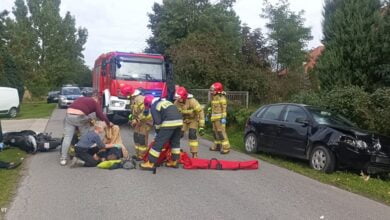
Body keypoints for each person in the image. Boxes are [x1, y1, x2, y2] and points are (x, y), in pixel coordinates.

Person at [60, 94, 112, 166]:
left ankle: (63, 159)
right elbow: (100, 115)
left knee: (67, 137)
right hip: (80, 117)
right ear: (96, 99)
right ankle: (83, 153)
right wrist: (108, 123)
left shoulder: (80, 98)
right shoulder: (95, 102)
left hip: (68, 115)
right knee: (85, 134)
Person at [139, 95, 183, 170]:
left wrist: (158, 133)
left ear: (148, 104)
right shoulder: (166, 101)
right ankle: (174, 161)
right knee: (175, 142)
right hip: (179, 122)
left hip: (169, 122)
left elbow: (158, 122)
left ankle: (150, 163)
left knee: (158, 142)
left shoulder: (154, 106)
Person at [121, 85, 153, 160]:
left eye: (125, 94)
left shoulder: (140, 99)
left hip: (145, 122)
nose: (125, 96)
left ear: (129, 93)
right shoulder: (133, 99)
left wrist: (137, 120)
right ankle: (138, 154)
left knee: (142, 138)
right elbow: (134, 112)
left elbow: (145, 113)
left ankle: (143, 156)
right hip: (139, 122)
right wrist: (131, 119)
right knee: (136, 137)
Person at [174, 86, 205, 158]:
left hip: (193, 120)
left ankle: (194, 153)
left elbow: (200, 112)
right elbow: (174, 113)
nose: (179, 99)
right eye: (177, 98)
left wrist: (201, 126)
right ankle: (175, 151)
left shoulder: (192, 101)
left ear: (184, 96)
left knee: (192, 134)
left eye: (180, 98)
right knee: (178, 135)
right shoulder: (176, 103)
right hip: (183, 120)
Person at [209, 82, 230, 154]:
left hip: (220, 119)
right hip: (214, 119)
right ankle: (217, 146)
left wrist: (223, 118)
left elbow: (224, 110)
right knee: (215, 132)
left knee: (221, 133)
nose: (212, 91)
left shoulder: (222, 98)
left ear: (218, 90)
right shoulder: (213, 97)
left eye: (213, 90)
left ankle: (226, 148)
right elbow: (212, 108)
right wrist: (208, 114)